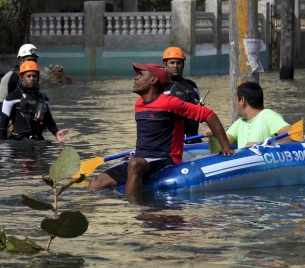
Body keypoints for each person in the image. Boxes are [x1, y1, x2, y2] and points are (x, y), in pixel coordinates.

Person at [88, 63, 234, 195]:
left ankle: (135, 213)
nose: (135, 78)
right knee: (95, 182)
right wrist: (137, 155)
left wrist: (225, 146)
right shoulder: (139, 104)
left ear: (153, 80)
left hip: (165, 159)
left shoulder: (170, 103)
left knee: (134, 165)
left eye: (140, 74)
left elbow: (208, 114)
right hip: (141, 159)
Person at [0, 61, 69, 142]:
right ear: (22, 77)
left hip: (38, 141)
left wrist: (56, 133)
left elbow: (49, 121)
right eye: (29, 76)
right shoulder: (11, 98)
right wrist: (3, 147)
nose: (32, 78)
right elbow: (3, 125)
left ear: (38, 78)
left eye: (34, 76)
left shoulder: (43, 98)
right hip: (18, 143)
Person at [205, 81, 290, 148]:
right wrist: (213, 137)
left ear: (242, 100)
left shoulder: (268, 116)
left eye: (235, 99)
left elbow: (293, 136)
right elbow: (220, 147)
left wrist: (261, 145)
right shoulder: (239, 123)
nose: (234, 103)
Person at [162, 46, 202, 141]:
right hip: (170, 140)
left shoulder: (192, 86)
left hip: (193, 137)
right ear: (165, 64)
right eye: (172, 63)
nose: (175, 66)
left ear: (183, 64)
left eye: (178, 63)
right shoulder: (160, 86)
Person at [0, 44, 39, 118]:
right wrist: (9, 122)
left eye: (34, 60)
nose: (32, 63)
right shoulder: (10, 76)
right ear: (20, 60)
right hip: (14, 120)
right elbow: (0, 102)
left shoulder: (35, 77)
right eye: (29, 60)